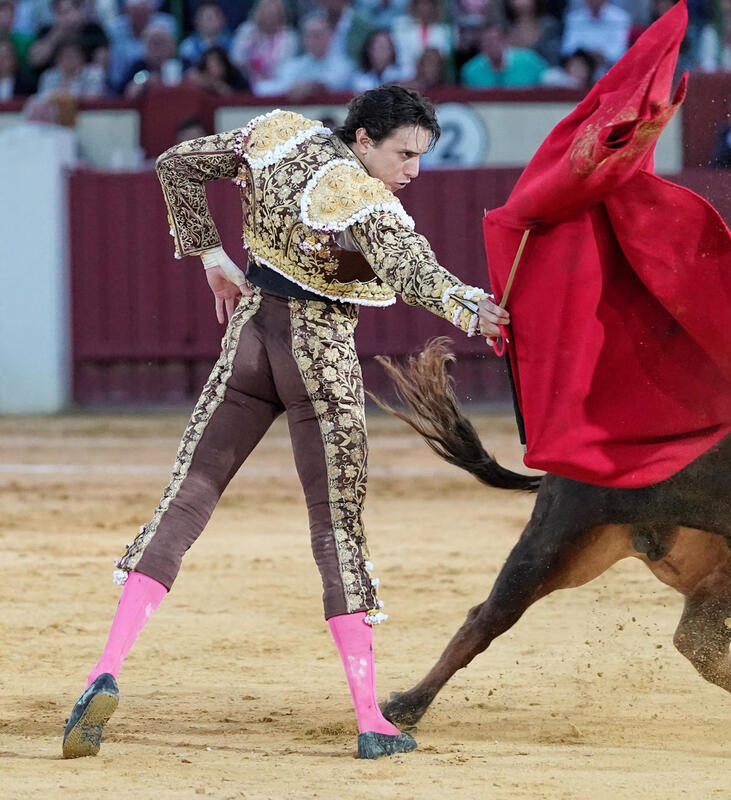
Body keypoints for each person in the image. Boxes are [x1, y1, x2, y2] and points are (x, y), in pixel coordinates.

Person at [60, 85, 511, 762]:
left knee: (187, 498)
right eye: (404, 153)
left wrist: (213, 259)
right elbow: (414, 274)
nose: (413, 169)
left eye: (421, 156)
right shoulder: (368, 200)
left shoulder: (277, 137)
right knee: (336, 529)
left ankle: (106, 669)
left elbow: (175, 166)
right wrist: (474, 309)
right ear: (364, 141)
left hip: (250, 336)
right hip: (319, 356)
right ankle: (371, 720)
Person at [254, 16, 352, 97]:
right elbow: (268, 88)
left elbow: (335, 82)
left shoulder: (344, 64)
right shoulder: (293, 65)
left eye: (317, 35)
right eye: (309, 36)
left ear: (331, 37)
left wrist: (310, 86)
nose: (313, 40)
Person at [229, 0, 298, 89]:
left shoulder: (290, 37)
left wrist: (263, 73)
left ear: (281, 16)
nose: (268, 18)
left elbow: (286, 68)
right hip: (244, 82)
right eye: (265, 13)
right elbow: (235, 59)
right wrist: (248, 70)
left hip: (276, 85)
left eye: (273, 14)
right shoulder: (245, 30)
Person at [461, 20, 549, 87]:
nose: (492, 46)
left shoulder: (530, 61)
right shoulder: (470, 70)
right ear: (480, 47)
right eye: (487, 43)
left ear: (505, 40)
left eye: (495, 40)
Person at [560, 0, 632, 71]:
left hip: (610, 67)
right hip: (580, 67)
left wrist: (602, 56)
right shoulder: (573, 18)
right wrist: (587, 56)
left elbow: (620, 51)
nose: (593, 1)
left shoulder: (621, 18)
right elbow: (568, 49)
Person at [179, 1, 231, 68]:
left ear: (223, 19)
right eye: (208, 18)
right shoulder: (188, 47)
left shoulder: (232, 44)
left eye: (216, 17)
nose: (212, 21)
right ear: (197, 21)